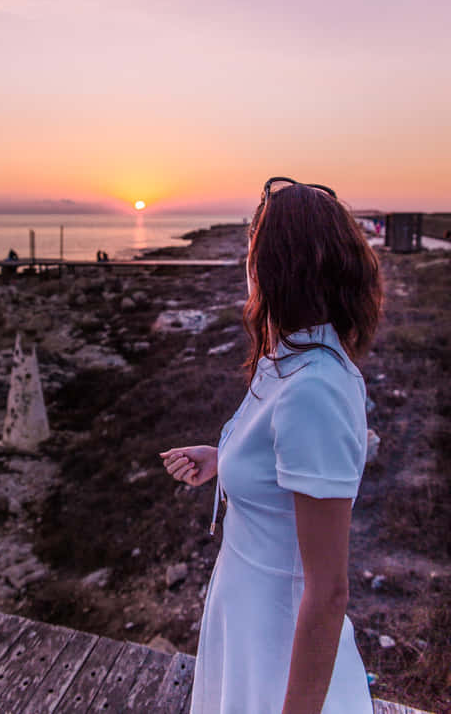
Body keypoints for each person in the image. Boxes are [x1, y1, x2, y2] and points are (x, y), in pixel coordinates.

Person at [160, 177, 382, 714]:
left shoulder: (314, 388)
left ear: (275, 268)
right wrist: (224, 459)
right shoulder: (290, 359)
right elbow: (282, 460)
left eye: (253, 248)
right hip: (246, 617)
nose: (248, 265)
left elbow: (328, 591)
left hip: (275, 641)